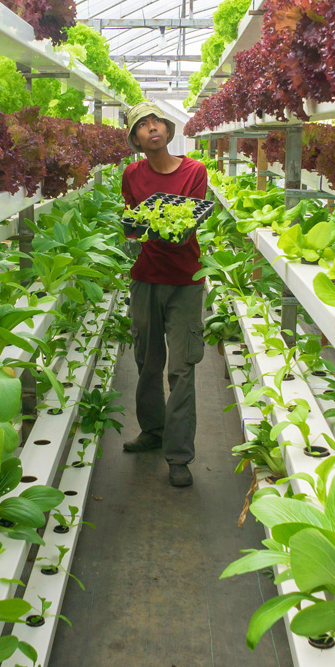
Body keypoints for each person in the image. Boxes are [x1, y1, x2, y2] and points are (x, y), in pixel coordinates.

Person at [119, 102, 209, 488]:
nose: (151, 128)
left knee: (182, 368)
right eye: (142, 125)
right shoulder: (132, 174)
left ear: (168, 131)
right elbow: (132, 223)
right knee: (147, 360)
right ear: (136, 138)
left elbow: (185, 223)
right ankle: (152, 431)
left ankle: (178, 454)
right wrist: (131, 232)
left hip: (185, 281)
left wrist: (161, 226)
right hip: (145, 279)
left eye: (157, 121)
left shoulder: (194, 171)